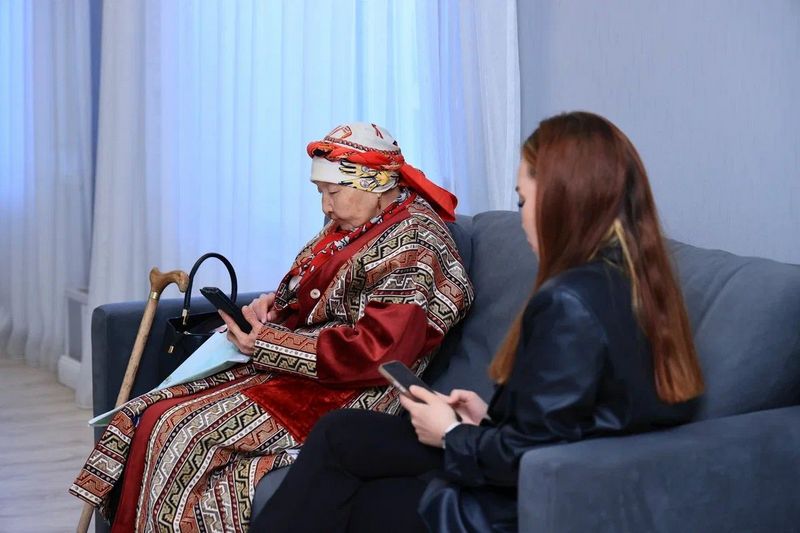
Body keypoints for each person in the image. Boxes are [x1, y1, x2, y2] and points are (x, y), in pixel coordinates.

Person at [255, 111, 706, 532]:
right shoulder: (635, 282)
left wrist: (452, 434)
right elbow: (577, 422)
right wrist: (487, 418)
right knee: (341, 433)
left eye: (523, 200)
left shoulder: (568, 302)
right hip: (520, 463)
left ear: (563, 203)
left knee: (355, 496)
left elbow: (530, 461)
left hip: (508, 501)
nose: (522, 216)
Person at [69, 122, 473, 532]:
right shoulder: (356, 224)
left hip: (354, 394)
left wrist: (266, 342)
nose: (325, 206)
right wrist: (277, 309)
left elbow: (378, 352)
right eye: (321, 193)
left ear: (376, 184)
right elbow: (314, 296)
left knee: (180, 433)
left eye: (333, 192)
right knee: (146, 414)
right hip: (304, 374)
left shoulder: (414, 243)